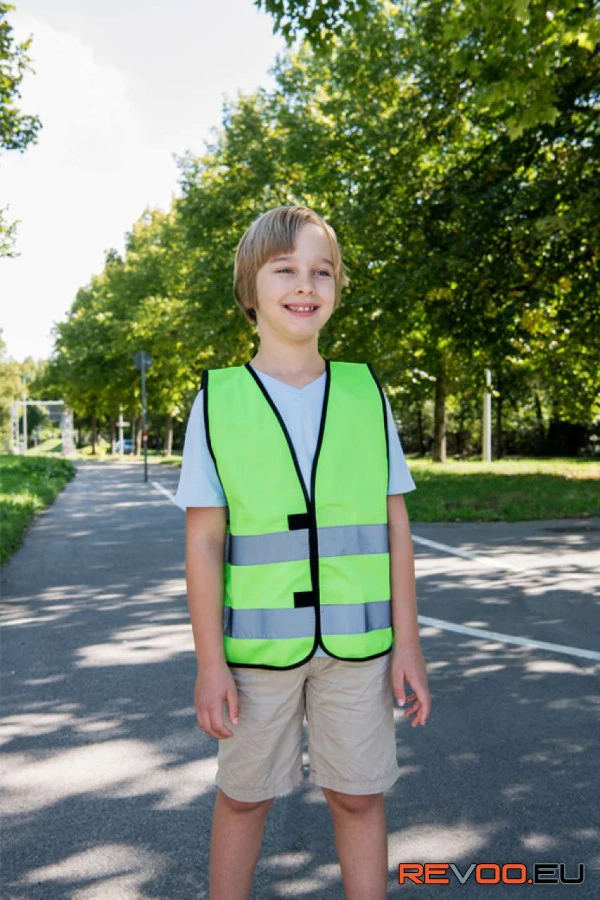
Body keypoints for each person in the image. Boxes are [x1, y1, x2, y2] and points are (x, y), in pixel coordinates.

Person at [175, 205, 431, 900]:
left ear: (338, 289)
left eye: (321, 271)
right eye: (284, 268)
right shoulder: (217, 400)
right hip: (256, 657)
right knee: (246, 797)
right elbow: (203, 539)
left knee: (358, 796)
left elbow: (395, 526)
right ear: (248, 288)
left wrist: (408, 644)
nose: (304, 283)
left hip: (361, 647)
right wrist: (209, 663)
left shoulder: (362, 392)